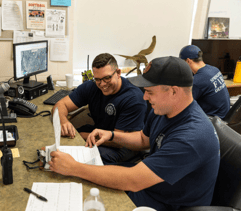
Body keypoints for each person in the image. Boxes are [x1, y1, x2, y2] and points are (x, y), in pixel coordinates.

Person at [48, 56, 220, 211]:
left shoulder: (192, 136)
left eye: (149, 92)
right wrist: (112, 135)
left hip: (169, 202)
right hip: (153, 185)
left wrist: (73, 167)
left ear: (174, 91)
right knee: (85, 183)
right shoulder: (163, 109)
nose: (144, 97)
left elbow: (133, 180)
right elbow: (143, 139)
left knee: (87, 198)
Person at [52, 53, 147, 164]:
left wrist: (82, 135)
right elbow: (60, 105)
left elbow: (118, 142)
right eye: (98, 79)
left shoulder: (133, 98)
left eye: (107, 78)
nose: (102, 84)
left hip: (123, 146)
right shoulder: (91, 86)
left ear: (118, 73)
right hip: (99, 133)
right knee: (62, 142)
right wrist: (63, 121)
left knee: (86, 158)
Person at [179, 45, 230, 119]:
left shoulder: (198, 80)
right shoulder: (214, 69)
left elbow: (183, 105)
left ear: (188, 61)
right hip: (224, 117)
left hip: (213, 120)